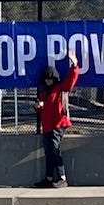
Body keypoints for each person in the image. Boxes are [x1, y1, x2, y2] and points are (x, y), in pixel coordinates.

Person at [32, 50, 79, 188]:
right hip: (47, 126)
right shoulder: (43, 92)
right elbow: (41, 108)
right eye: (47, 79)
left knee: (54, 150)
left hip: (58, 124)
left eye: (50, 79)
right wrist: (37, 106)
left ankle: (62, 178)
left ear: (54, 79)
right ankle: (49, 178)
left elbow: (71, 80)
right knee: (49, 152)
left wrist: (74, 64)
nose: (48, 81)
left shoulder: (60, 88)